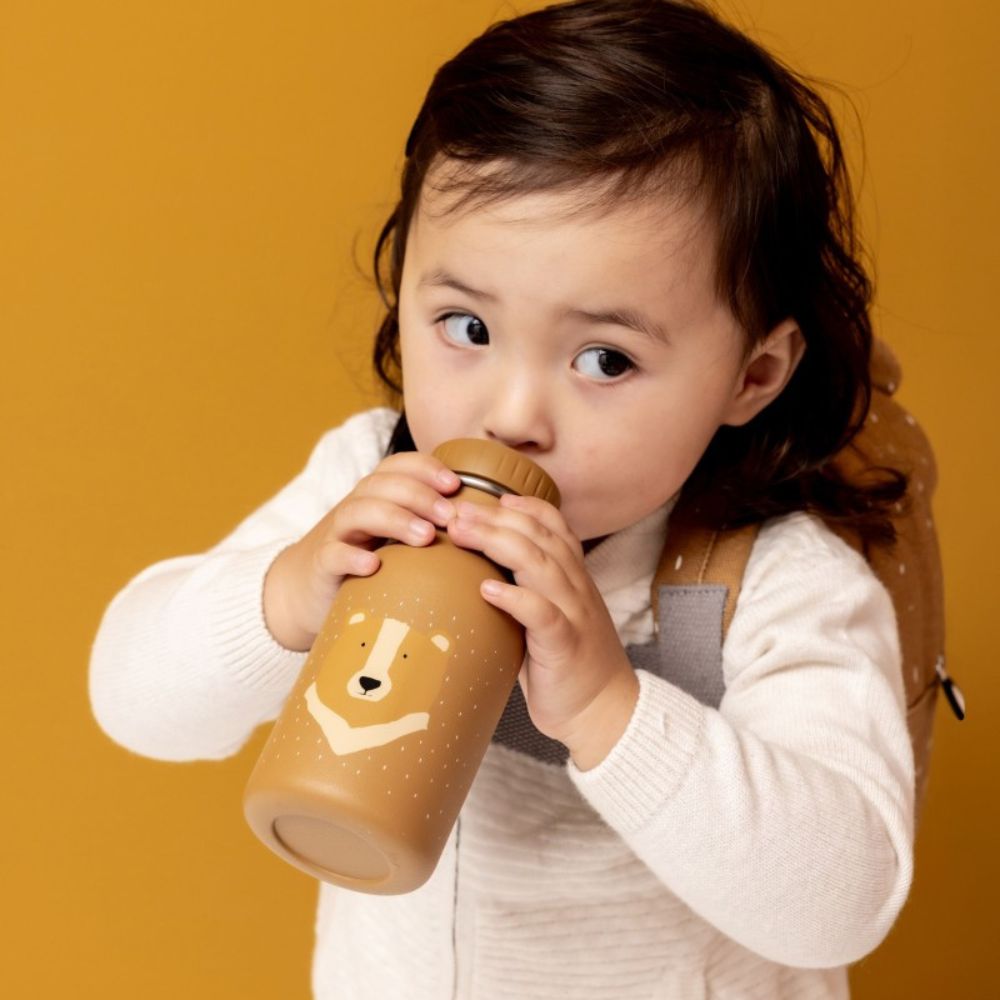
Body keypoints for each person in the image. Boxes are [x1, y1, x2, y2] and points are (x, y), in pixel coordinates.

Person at [89, 1, 916, 997]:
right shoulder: (369, 488)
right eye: (468, 328)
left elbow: (842, 902)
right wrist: (288, 594)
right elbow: (134, 704)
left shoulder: (769, 581)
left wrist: (608, 707)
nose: (513, 415)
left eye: (604, 359)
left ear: (753, 373)